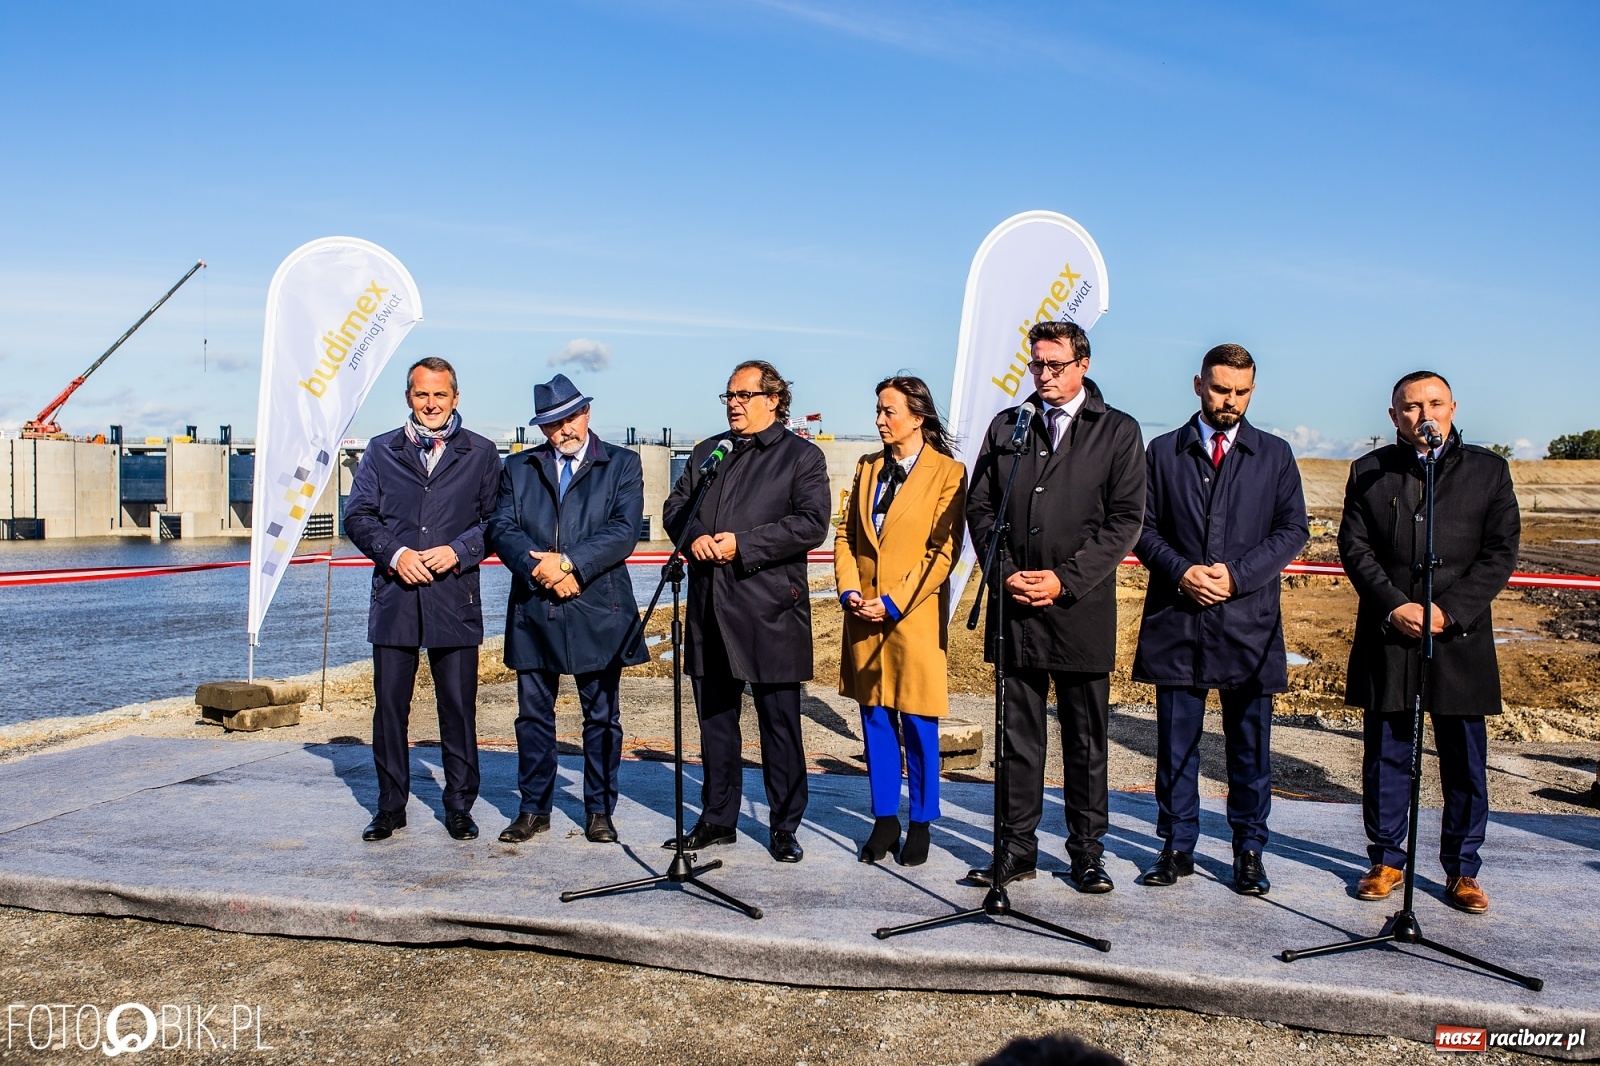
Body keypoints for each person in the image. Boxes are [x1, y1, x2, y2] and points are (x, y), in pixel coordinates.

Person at [965, 319, 1145, 891]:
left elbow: (1124, 523)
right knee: (1017, 737)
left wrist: (1063, 581)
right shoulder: (1008, 426)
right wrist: (1008, 574)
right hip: (1016, 607)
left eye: (1055, 365)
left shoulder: (1116, 431)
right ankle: (1015, 848)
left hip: (1080, 610)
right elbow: (982, 509)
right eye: (1036, 364)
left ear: (1083, 365)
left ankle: (1086, 852)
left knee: (1085, 739)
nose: (1043, 374)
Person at [1339, 371, 1518, 914]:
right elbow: (1355, 547)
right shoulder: (1369, 471)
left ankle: (1462, 869)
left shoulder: (1488, 471)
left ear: (1453, 408)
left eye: (1435, 404)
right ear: (1394, 416)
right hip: (1391, 633)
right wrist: (1395, 605)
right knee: (1387, 753)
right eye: (1412, 407)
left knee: (1464, 759)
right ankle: (1387, 858)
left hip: (1459, 638)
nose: (1425, 415)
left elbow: (1500, 551)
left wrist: (1450, 610)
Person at [1132, 344, 1308, 896]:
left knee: (1249, 747)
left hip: (1247, 623)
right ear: (1197, 385)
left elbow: (1292, 529)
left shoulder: (1274, 455)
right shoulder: (1162, 452)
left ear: (1252, 390)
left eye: (1241, 392)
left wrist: (1236, 575)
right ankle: (1176, 845)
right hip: (1178, 617)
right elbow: (1141, 525)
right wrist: (1182, 571)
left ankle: (1249, 850)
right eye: (1220, 389)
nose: (1230, 400)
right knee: (1176, 743)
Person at [662, 360, 831, 863]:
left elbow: (810, 524)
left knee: (779, 723)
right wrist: (695, 541)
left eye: (743, 395)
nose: (733, 403)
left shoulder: (802, 457)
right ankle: (718, 819)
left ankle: (784, 825)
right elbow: (676, 509)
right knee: (715, 720)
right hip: (709, 608)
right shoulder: (707, 451)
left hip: (770, 610)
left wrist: (742, 545)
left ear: (774, 399)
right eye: (728, 396)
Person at [343, 357, 503, 842]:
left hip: (453, 598)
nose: (430, 404)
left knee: (458, 708)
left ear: (455, 398)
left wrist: (458, 551)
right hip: (395, 598)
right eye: (421, 394)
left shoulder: (481, 453)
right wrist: (395, 553)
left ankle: (459, 806)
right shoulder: (380, 450)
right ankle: (390, 808)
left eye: (439, 395)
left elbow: (497, 523)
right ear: (408, 398)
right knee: (390, 709)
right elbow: (358, 515)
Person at [486, 374, 647, 845]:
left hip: (598, 606)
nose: (565, 429)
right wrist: (539, 570)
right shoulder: (519, 469)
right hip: (536, 609)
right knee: (533, 717)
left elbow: (623, 530)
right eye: (554, 423)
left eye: (571, 417)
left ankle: (599, 809)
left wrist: (571, 564)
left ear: (588, 413)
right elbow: (501, 527)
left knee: (600, 717)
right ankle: (533, 808)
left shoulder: (622, 463)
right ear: (542, 429)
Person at [835, 376, 967, 866]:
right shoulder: (868, 468)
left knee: (917, 720)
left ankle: (922, 820)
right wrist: (850, 590)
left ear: (918, 416)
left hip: (912, 617)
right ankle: (885, 816)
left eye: (889, 411)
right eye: (878, 410)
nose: (879, 420)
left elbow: (942, 552)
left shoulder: (949, 473)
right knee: (874, 717)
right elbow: (846, 536)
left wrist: (893, 602)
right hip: (862, 614)